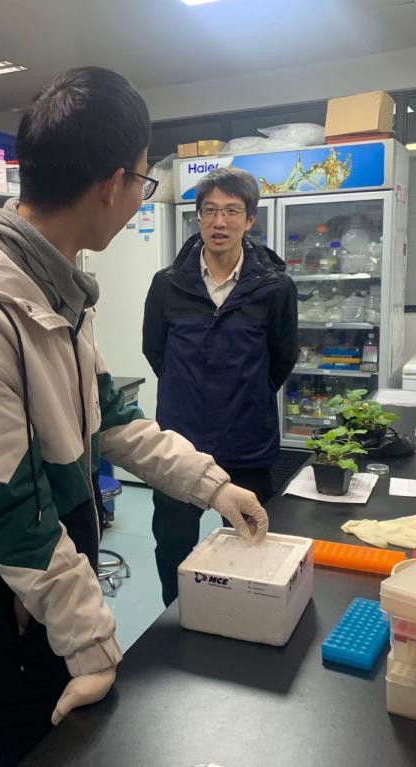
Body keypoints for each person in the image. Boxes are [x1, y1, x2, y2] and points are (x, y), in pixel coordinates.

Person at [0, 68, 269, 767]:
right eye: (143, 181)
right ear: (112, 184)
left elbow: (115, 418)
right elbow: (13, 517)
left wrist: (213, 486)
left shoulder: (49, 287)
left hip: (49, 608)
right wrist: (94, 643)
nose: (139, 197)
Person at [143, 167, 299, 607]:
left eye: (232, 211)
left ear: (250, 220)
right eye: (210, 211)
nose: (219, 222)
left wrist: (244, 394)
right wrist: (190, 391)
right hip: (180, 444)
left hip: (246, 443)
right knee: (173, 549)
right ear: (198, 217)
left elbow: (282, 358)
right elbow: (155, 352)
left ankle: (243, 621)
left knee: (251, 546)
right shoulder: (168, 285)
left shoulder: (275, 287)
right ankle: (177, 620)